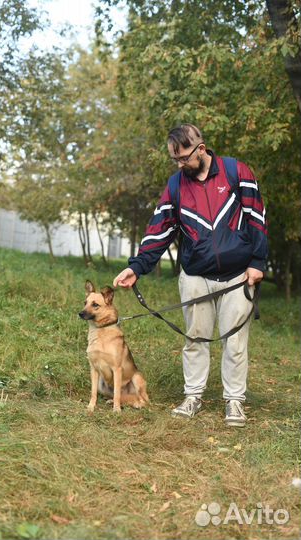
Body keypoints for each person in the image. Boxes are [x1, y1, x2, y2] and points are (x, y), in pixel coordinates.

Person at [113, 124, 268, 427]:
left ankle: (234, 401)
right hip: (196, 275)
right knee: (195, 338)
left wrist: (258, 262)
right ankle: (193, 395)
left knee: (235, 342)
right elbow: (159, 231)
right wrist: (136, 267)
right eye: (176, 160)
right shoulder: (175, 186)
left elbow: (256, 217)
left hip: (238, 275)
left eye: (184, 158)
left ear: (201, 148)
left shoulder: (236, 171)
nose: (180, 165)